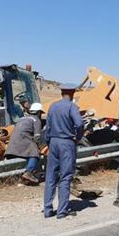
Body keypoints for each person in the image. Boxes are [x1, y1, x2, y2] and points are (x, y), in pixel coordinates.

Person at [43, 83, 84, 219]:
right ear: (72, 93)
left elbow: (47, 127)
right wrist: (77, 138)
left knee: (50, 176)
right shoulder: (72, 106)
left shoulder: (53, 106)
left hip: (53, 141)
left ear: (61, 92)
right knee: (65, 176)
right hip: (66, 142)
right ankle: (62, 211)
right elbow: (79, 124)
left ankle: (48, 210)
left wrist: (49, 142)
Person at [5, 102, 44, 185]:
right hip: (23, 141)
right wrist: (40, 147)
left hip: (11, 146)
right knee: (35, 152)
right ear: (39, 112)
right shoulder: (36, 120)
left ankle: (19, 177)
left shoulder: (21, 119)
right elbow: (37, 137)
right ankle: (29, 172)